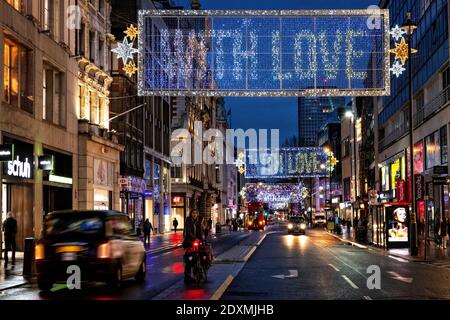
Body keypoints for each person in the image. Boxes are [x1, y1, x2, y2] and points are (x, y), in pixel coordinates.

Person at [183, 209, 204, 283]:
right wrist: (194, 239)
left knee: (202, 253)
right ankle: (187, 276)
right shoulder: (188, 221)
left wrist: (202, 238)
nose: (194, 214)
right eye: (193, 213)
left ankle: (200, 269)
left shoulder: (198, 221)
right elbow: (188, 232)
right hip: (189, 241)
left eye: (196, 213)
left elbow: (200, 231)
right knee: (189, 258)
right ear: (191, 214)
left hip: (197, 241)